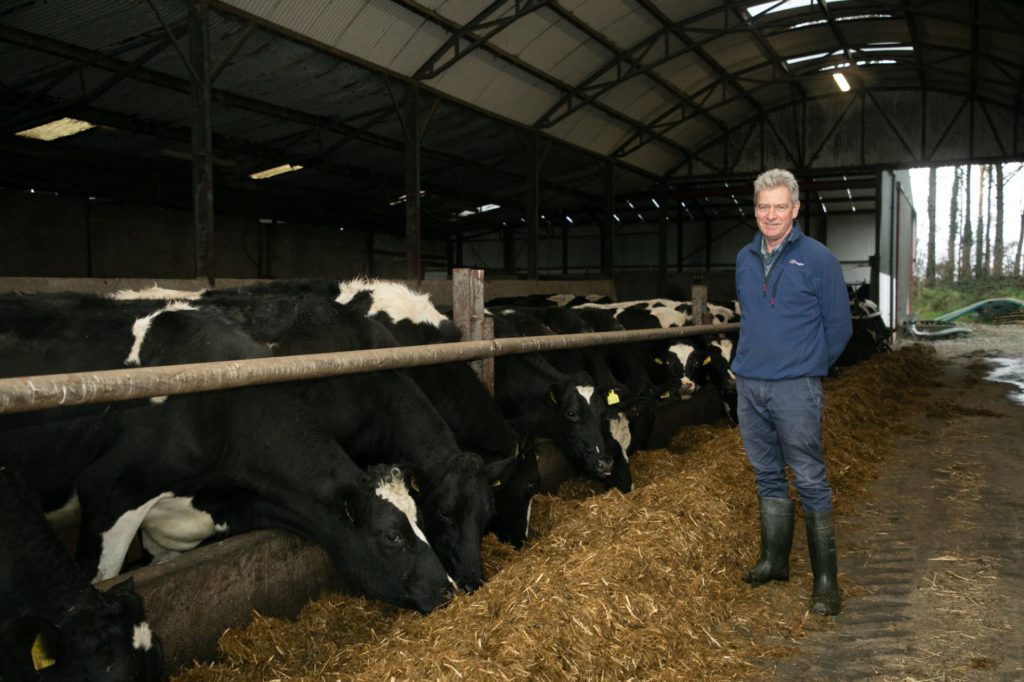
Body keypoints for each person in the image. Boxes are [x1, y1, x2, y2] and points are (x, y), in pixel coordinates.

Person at [731, 168, 852, 616]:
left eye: (780, 206)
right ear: (756, 210)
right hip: (750, 384)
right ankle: (774, 561)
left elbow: (839, 327)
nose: (771, 214)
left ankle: (825, 581)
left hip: (796, 388)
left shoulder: (819, 259)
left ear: (796, 209)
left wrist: (809, 366)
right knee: (765, 473)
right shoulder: (744, 257)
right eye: (764, 206)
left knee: (810, 477)